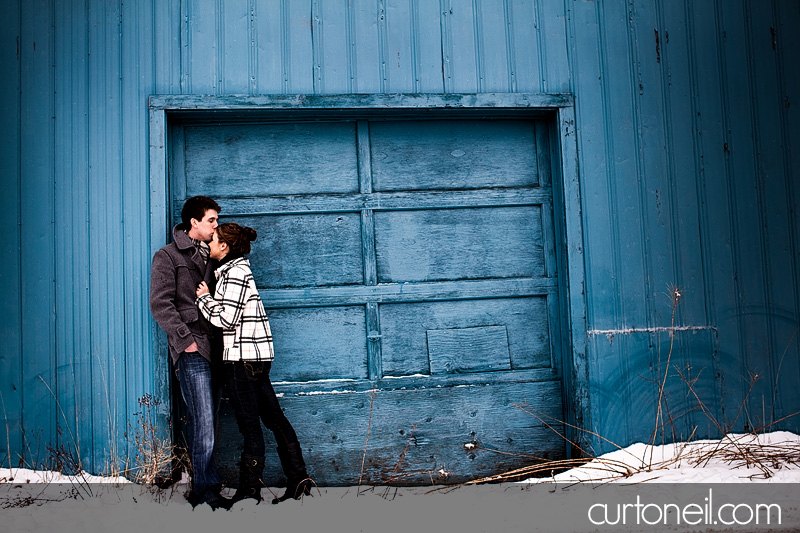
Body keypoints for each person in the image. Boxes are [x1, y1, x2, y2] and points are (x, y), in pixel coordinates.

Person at [195, 222, 314, 505]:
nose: (209, 243)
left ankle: (249, 492)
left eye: (213, 240)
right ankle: (299, 480)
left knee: (251, 427)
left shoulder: (235, 273)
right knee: (274, 419)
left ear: (224, 246)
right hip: (254, 358)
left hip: (241, 360)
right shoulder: (234, 271)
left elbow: (226, 319)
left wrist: (203, 299)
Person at [149, 196, 232, 510]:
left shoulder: (215, 253)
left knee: (211, 419)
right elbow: (161, 305)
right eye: (211, 220)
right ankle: (204, 490)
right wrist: (186, 341)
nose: (215, 226)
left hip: (218, 348)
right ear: (193, 222)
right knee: (202, 420)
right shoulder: (168, 256)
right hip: (192, 348)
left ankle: (207, 483)